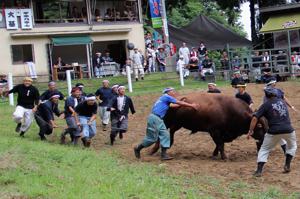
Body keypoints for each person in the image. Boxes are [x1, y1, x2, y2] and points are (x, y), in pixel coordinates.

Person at [134, 87, 198, 160]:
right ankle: (137, 148)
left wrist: (183, 104)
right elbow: (178, 102)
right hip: (155, 118)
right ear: (168, 92)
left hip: (158, 119)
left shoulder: (164, 99)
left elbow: (173, 106)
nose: (174, 92)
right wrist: (192, 105)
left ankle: (164, 155)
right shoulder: (166, 97)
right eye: (172, 91)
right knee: (152, 139)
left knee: (165, 135)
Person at [247, 87, 297, 177]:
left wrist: (250, 131)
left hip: (274, 131)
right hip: (289, 129)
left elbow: (255, 118)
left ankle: (259, 171)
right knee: (292, 146)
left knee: (264, 149)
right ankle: (287, 164)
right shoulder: (282, 102)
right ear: (276, 94)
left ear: (266, 95)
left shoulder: (266, 104)